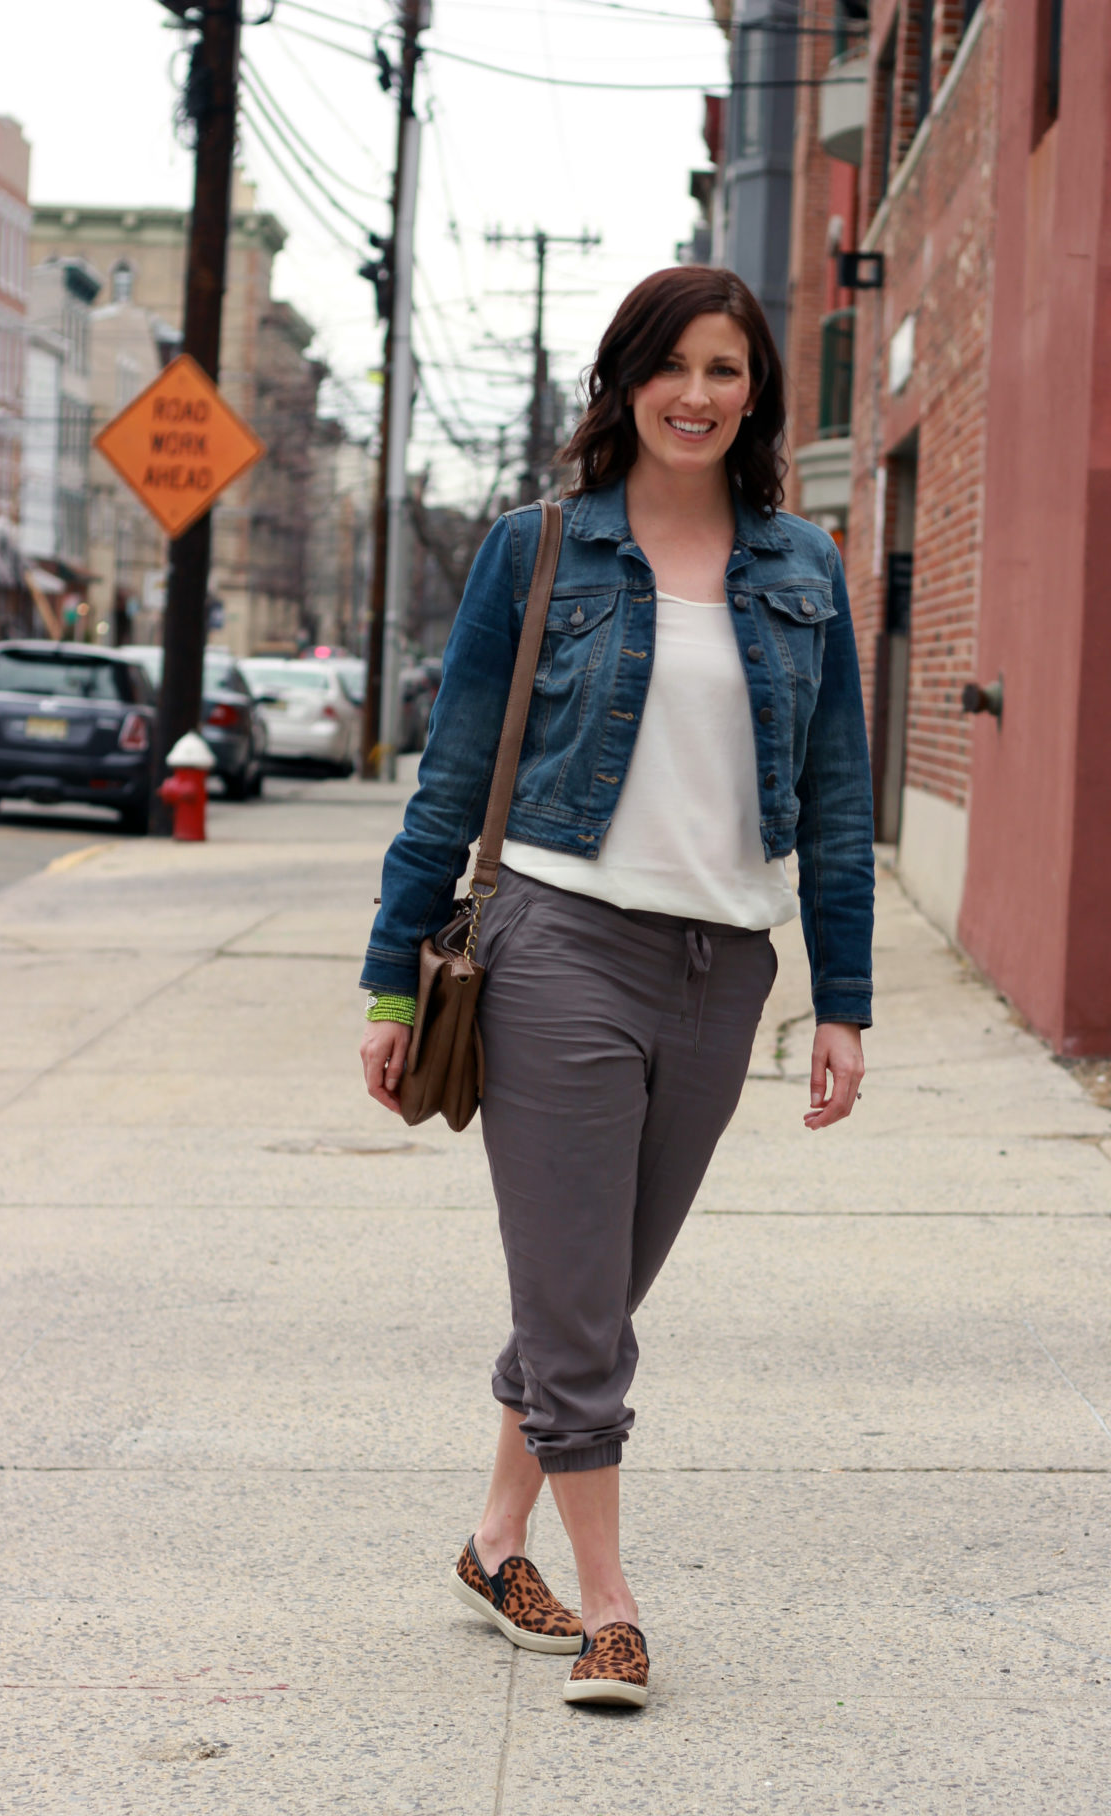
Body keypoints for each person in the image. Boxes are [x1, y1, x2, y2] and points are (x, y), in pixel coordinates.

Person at [359, 267, 875, 1710]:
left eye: (724, 368)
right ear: (623, 381)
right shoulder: (537, 551)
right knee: (583, 1304)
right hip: (557, 943)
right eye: (670, 366)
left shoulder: (803, 569)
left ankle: (489, 1540)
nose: (695, 394)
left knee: (595, 1283)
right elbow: (452, 777)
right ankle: (611, 1607)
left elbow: (837, 799)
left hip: (726, 970)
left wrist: (844, 999)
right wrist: (391, 987)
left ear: (756, 388)